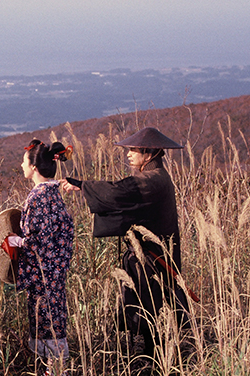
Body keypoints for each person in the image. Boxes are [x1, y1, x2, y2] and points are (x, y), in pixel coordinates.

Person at [60, 127, 190, 359]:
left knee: (153, 309)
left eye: (134, 150)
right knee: (152, 307)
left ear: (149, 154)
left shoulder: (153, 179)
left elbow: (119, 193)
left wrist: (83, 185)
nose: (129, 154)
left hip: (154, 258)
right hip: (154, 255)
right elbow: (125, 196)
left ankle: (156, 361)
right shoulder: (156, 176)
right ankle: (152, 357)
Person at [1, 140, 74, 376]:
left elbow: (35, 242)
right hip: (56, 275)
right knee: (55, 322)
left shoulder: (37, 198)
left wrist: (14, 241)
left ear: (33, 166)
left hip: (43, 276)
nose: (22, 165)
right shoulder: (54, 194)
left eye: (24, 161)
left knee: (45, 325)